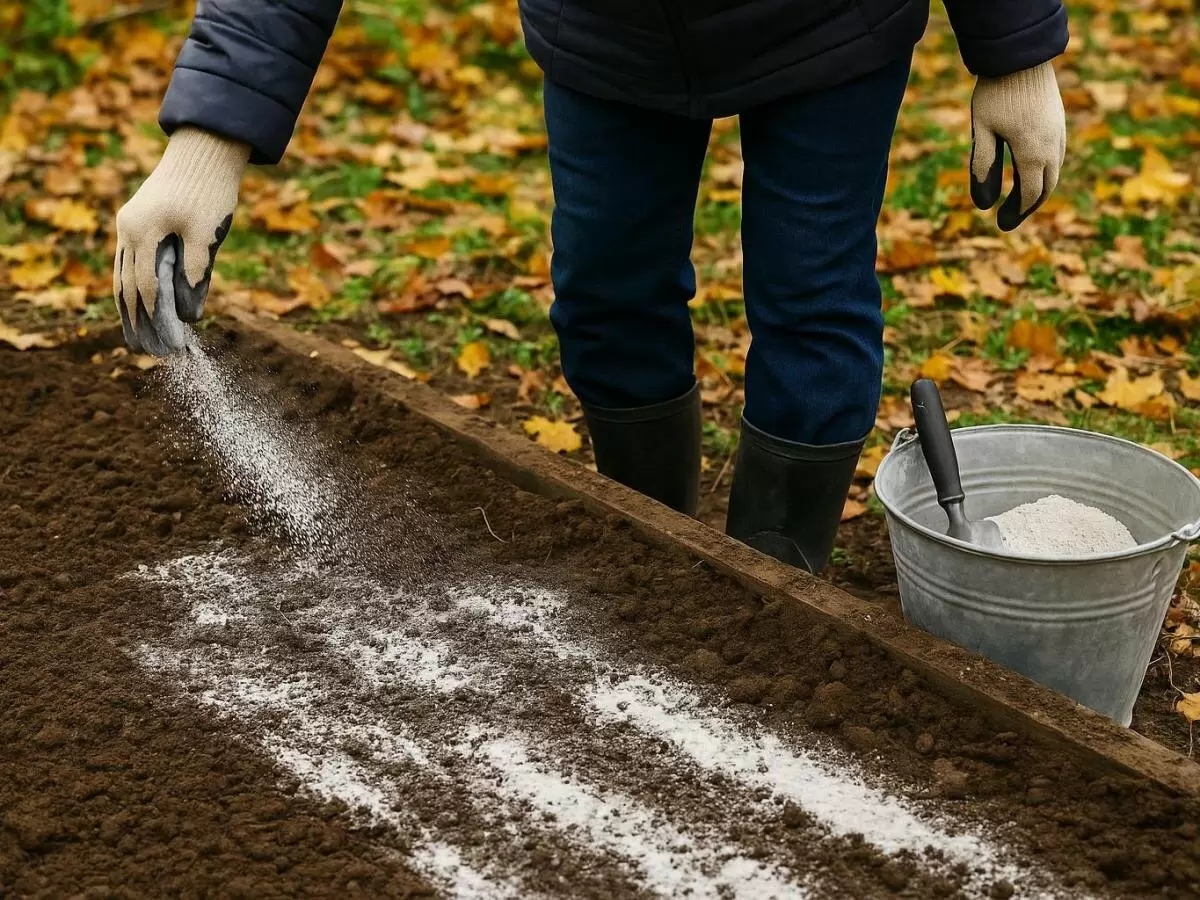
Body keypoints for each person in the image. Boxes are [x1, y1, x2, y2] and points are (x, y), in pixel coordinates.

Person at [113, 0, 1067, 573]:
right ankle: (654, 549)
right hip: (610, 34)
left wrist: (1016, 48)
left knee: (813, 295)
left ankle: (782, 581)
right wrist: (206, 144)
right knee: (607, 298)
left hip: (828, 25)